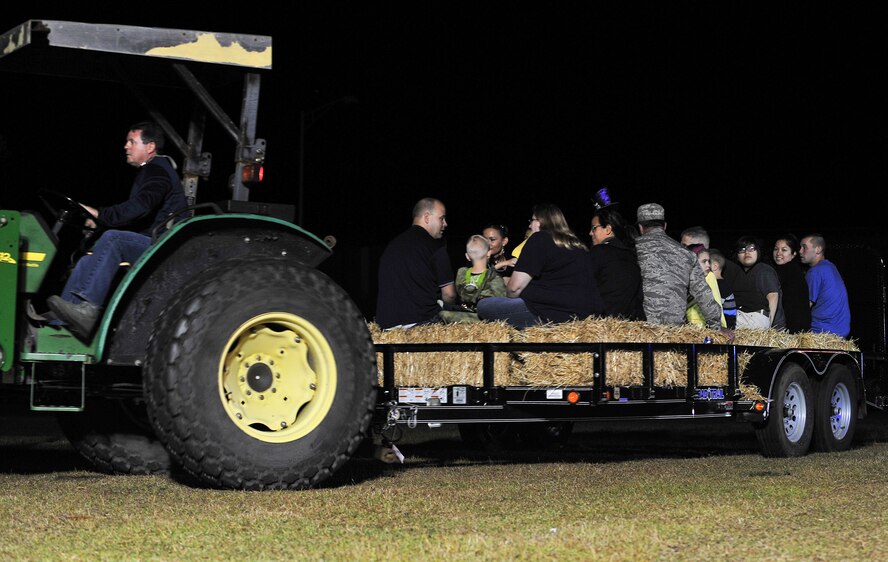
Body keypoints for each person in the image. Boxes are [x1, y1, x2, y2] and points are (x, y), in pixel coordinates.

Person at [46, 121, 187, 339]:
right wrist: (99, 220)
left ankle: (88, 310)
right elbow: (143, 216)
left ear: (150, 147)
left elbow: (141, 206)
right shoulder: (151, 170)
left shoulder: (157, 169)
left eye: (132, 141)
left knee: (114, 240)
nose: (126, 146)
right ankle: (61, 323)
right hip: (153, 238)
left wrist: (102, 215)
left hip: (164, 245)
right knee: (86, 259)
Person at [477, 203, 603, 328]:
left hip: (551, 314)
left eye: (532, 220)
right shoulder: (577, 244)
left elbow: (514, 289)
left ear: (540, 221)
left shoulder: (540, 238)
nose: (530, 225)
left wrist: (508, 294)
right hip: (584, 314)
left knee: (484, 305)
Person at [634, 204, 722, 329]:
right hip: (674, 331)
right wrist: (717, 327)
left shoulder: (633, 249)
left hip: (641, 329)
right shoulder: (687, 254)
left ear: (640, 227)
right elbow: (704, 295)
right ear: (664, 226)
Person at [375, 198, 456, 329]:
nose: (445, 224)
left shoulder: (391, 246)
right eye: (442, 218)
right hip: (422, 323)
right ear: (427, 217)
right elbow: (449, 294)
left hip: (387, 326)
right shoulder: (435, 245)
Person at [588, 201, 645, 320]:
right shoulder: (631, 254)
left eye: (594, 228)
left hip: (603, 323)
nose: (590, 233)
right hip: (629, 324)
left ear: (608, 229)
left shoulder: (599, 252)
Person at [439, 235, 507, 323]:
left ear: (467, 256)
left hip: (464, 315)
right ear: (488, 253)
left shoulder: (461, 274)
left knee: (443, 314)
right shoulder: (494, 277)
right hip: (484, 319)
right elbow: (502, 302)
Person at [799, 233, 850, 337]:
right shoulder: (831, 267)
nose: (800, 251)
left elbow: (804, 307)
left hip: (821, 332)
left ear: (818, 249)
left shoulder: (815, 271)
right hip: (841, 332)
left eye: (804, 247)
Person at [732, 235, 785, 330]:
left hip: (770, 328)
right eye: (742, 249)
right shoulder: (738, 273)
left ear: (758, 252)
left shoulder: (763, 270)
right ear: (737, 255)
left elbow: (773, 296)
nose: (747, 252)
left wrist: (768, 327)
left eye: (751, 248)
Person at [772, 234, 812, 333]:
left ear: (793, 254)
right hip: (797, 328)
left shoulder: (788, 270)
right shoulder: (791, 270)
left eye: (784, 250)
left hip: (792, 328)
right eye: (776, 249)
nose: (778, 253)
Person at [685, 244, 726, 328]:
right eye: (704, 261)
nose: (708, 265)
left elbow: (716, 303)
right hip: (688, 328)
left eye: (708, 261)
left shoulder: (709, 276)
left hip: (705, 327)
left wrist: (722, 326)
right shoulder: (682, 278)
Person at [709, 248, 737, 329]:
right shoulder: (723, 283)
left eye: (706, 262)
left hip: (725, 329)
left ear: (715, 266)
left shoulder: (721, 285)